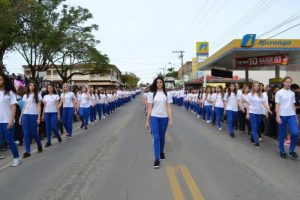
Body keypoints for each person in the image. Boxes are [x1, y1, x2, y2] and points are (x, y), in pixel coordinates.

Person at [146, 77, 173, 169]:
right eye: (157, 82)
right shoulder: (151, 94)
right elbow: (149, 107)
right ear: (155, 84)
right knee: (156, 138)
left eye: (161, 82)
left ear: (163, 83)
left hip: (164, 118)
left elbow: (169, 107)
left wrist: (171, 119)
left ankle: (161, 152)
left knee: (162, 137)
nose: (159, 84)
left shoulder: (168, 94)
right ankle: (156, 159)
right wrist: (147, 120)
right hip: (154, 117)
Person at [0, 72, 21, 166]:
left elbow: (14, 107)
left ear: (4, 81)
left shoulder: (10, 92)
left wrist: (11, 120)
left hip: (8, 121)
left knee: (9, 141)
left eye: (0, 79)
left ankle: (16, 158)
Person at [275, 77, 299, 160]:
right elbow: (277, 105)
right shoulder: (279, 93)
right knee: (282, 133)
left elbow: (293, 105)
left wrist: (295, 116)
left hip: (291, 115)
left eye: (290, 82)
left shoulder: (292, 93)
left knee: (295, 132)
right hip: (282, 115)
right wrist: (277, 116)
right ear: (283, 82)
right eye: (287, 82)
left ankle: (291, 150)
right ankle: (282, 150)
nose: (288, 83)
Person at [19, 81, 43, 158]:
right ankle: (27, 151)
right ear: (28, 86)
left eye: (33, 85)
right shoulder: (25, 95)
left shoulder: (38, 95)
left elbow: (39, 107)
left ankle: (39, 145)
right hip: (25, 115)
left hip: (34, 115)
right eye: (30, 85)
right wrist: (20, 117)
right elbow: (23, 107)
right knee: (26, 134)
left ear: (35, 87)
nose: (31, 86)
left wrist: (39, 117)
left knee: (34, 133)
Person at [246, 82, 271, 148]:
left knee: (256, 127)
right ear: (253, 87)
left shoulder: (261, 95)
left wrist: (268, 110)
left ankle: (252, 137)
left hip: (259, 113)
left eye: (258, 86)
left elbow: (264, 103)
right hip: (252, 112)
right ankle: (256, 142)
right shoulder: (249, 94)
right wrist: (247, 113)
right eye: (255, 86)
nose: (256, 87)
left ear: (259, 87)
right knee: (254, 127)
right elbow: (247, 104)